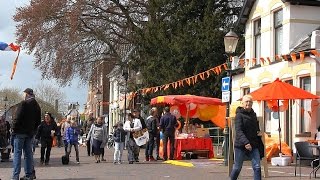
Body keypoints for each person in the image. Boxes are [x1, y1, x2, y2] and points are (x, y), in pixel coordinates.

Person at [11, 88, 41, 180]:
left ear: (26, 94)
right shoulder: (37, 106)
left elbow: (17, 118)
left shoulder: (23, 104)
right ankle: (29, 175)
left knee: (17, 154)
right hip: (29, 134)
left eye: (24, 94)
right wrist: (33, 130)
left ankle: (15, 176)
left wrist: (13, 129)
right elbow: (38, 122)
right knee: (28, 154)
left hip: (19, 132)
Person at [230, 95, 262, 180]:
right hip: (241, 145)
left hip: (253, 144)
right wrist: (246, 142)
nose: (249, 103)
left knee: (257, 166)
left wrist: (259, 131)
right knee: (237, 168)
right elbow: (239, 131)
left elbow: (256, 127)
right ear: (242, 103)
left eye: (250, 102)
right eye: (247, 101)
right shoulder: (239, 115)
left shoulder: (253, 114)